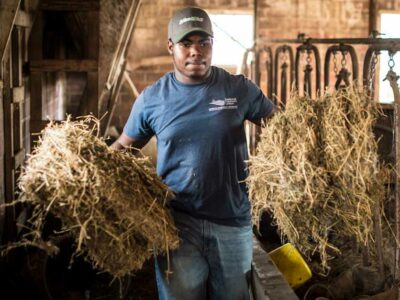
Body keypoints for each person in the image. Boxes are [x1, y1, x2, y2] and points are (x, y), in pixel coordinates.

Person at [111, 6, 276, 300]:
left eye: (204, 42)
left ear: (213, 44)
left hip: (232, 222)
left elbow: (281, 127)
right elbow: (122, 148)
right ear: (171, 47)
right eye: (187, 43)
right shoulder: (153, 99)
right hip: (177, 226)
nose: (195, 52)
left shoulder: (238, 88)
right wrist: (89, 167)